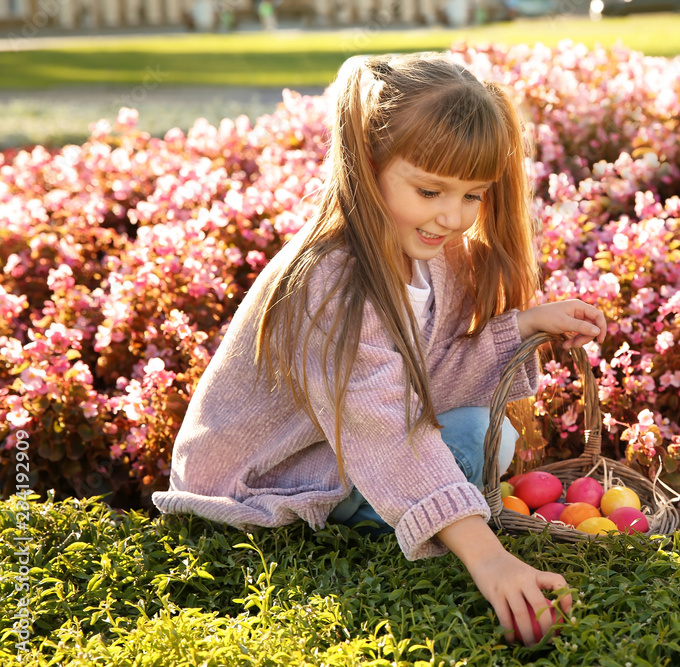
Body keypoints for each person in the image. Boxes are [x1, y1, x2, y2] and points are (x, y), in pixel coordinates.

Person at [151, 52, 607, 646]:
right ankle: (401, 526)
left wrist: (518, 327)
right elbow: (386, 427)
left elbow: (418, 383)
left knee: (481, 437)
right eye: (429, 190)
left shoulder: (432, 255)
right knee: (469, 443)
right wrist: (489, 557)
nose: (453, 216)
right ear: (367, 164)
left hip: (336, 449)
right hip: (263, 484)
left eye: (473, 195)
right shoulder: (331, 282)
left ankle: (414, 511)